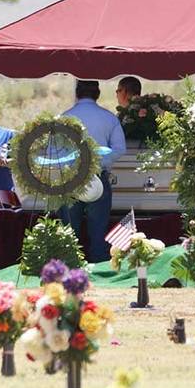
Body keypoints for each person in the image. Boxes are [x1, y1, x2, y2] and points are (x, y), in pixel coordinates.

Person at [63, 80, 127, 262]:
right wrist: (97, 161)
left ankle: (70, 267)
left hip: (70, 177)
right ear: (97, 93)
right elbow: (119, 149)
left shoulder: (64, 117)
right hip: (98, 176)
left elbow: (54, 151)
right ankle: (99, 268)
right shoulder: (108, 117)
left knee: (70, 232)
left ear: (77, 92)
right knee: (98, 231)